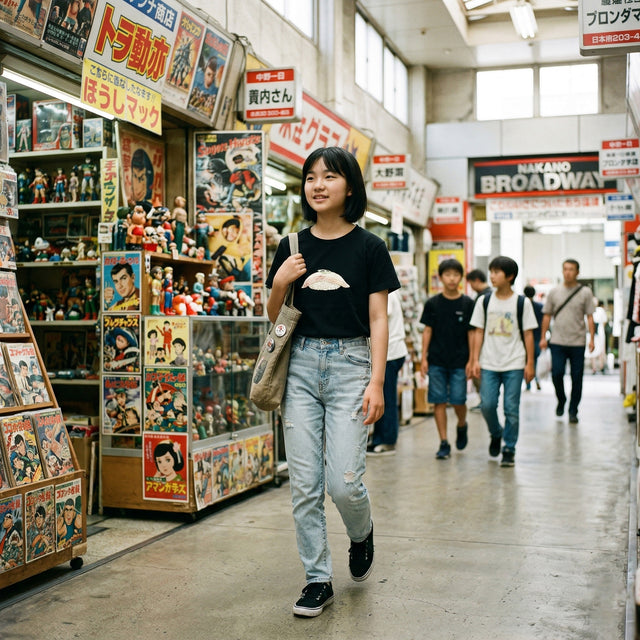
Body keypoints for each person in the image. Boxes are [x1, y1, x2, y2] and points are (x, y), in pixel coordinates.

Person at [265, 146, 400, 618]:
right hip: (299, 365)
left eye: (330, 176)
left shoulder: (370, 247)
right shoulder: (293, 246)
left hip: (351, 365)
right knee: (304, 483)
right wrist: (280, 281)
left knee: (344, 483)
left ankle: (361, 533)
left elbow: (379, 319)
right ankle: (317, 578)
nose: (317, 185)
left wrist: (378, 382)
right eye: (310, 177)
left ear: (350, 186)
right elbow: (275, 318)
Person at [469, 256, 537, 467]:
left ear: (510, 276)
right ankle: (496, 433)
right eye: (491, 271)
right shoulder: (484, 300)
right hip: (488, 362)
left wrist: (530, 363)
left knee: (511, 408)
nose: (492, 276)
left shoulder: (522, 302)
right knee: (488, 405)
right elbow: (478, 331)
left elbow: (528, 335)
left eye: (497, 272)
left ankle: (509, 447)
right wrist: (474, 359)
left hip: (514, 362)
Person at [420, 258, 475, 460]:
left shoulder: (468, 303)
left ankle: (462, 424)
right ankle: (443, 442)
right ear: (441, 277)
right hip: (436, 360)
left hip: (460, 361)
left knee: (459, 400)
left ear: (461, 277)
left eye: (455, 274)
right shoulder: (432, 303)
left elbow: (472, 333)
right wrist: (424, 358)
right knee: (439, 401)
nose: (452, 279)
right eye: (447, 275)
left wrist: (472, 360)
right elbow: (427, 331)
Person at [539, 259, 595, 424]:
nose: (568, 272)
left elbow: (590, 316)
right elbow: (547, 315)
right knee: (557, 374)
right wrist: (543, 337)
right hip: (557, 341)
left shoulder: (585, 292)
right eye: (565, 269)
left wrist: (591, 338)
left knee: (577, 377)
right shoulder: (554, 292)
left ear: (577, 272)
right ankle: (561, 399)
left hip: (578, 342)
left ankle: (573, 410)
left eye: (571, 269)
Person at [367, 289, 408, 456]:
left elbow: (378, 318)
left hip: (390, 354)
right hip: (390, 353)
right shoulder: (387, 293)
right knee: (384, 396)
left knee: (386, 398)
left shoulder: (386, 294)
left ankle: (387, 441)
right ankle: (379, 438)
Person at [523, 285, 543, 391]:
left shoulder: (522, 305)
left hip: (525, 339)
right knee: (534, 361)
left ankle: (528, 383)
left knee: (527, 361)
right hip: (536, 337)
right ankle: (536, 380)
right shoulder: (539, 306)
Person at [587, 298, 608, 374]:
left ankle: (601, 366)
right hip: (591, 332)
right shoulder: (589, 311)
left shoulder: (600, 310)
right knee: (592, 350)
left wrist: (600, 328)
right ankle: (594, 368)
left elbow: (604, 321)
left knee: (601, 349)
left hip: (599, 332)